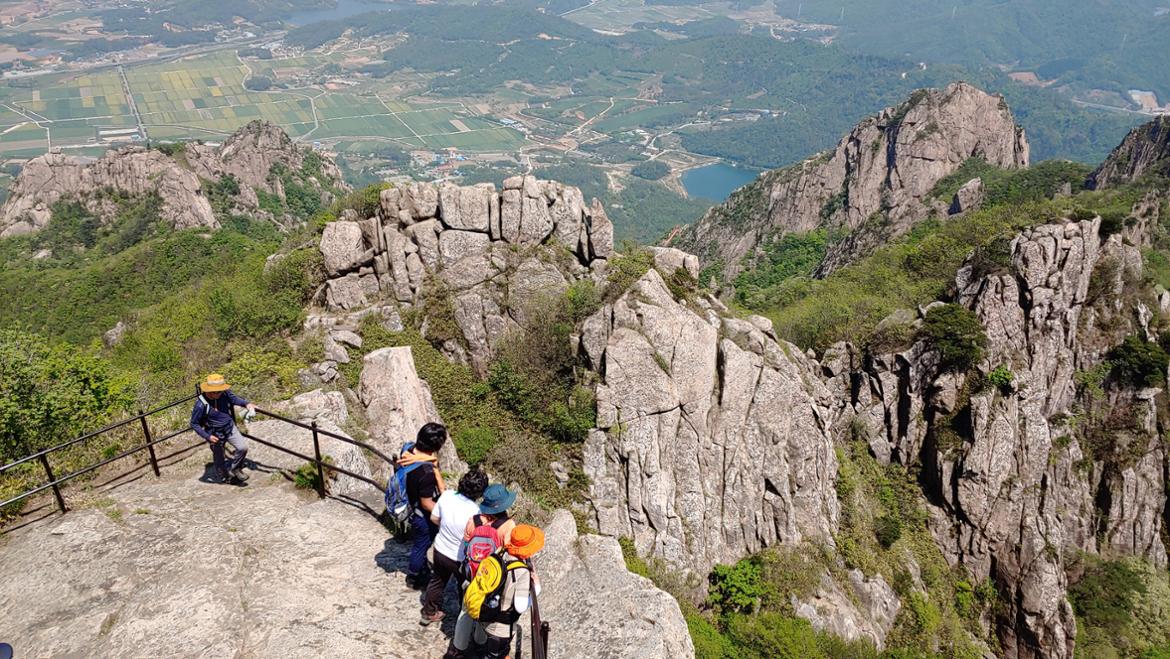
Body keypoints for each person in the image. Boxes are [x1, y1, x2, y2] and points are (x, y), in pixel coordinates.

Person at [444, 524, 545, 659]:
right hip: (501, 628)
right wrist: (536, 588)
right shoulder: (521, 572)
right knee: (497, 654)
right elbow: (520, 606)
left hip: (487, 615)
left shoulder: (500, 552)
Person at [421, 468, 488, 626]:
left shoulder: (447, 495)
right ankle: (462, 620)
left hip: (440, 549)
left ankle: (428, 613)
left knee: (437, 581)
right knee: (463, 587)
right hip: (459, 558)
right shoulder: (476, 512)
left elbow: (434, 518)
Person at [402, 422, 447, 590]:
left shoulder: (409, 451)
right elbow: (427, 503)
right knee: (421, 545)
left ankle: (419, 569)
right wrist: (445, 514)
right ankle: (414, 576)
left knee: (420, 544)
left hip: (412, 505)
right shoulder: (426, 472)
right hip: (421, 515)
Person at [190, 373, 256, 485]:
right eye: (216, 391)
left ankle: (235, 468)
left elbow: (233, 399)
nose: (219, 393)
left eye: (220, 391)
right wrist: (208, 436)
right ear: (208, 390)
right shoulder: (200, 405)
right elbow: (194, 423)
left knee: (242, 447)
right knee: (219, 457)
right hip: (214, 433)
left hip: (229, 427)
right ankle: (225, 477)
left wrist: (247, 404)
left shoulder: (224, 393)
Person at [463, 483, 517, 548]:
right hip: (492, 558)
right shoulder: (509, 525)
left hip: (474, 557)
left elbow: (466, 544)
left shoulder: (473, 521)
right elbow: (510, 550)